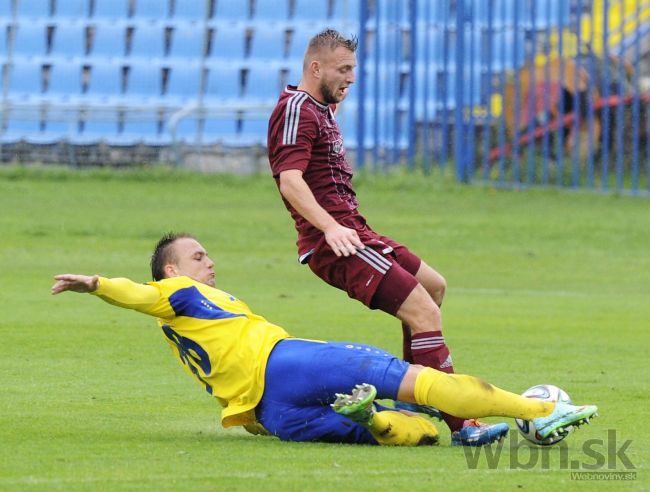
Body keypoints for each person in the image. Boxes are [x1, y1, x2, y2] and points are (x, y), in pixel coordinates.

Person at [51, 232, 598, 447]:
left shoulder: (181, 324)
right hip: (287, 366)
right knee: (419, 382)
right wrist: (97, 284)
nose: (210, 261)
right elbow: (136, 293)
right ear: (172, 271)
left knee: (412, 437)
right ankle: (539, 407)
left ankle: (374, 418)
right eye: (198, 257)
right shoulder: (178, 296)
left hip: (270, 415)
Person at [267, 28, 496, 443]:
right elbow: (290, 181)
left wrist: (334, 101)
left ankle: (413, 399)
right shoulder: (297, 108)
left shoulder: (319, 107)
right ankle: (464, 424)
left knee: (434, 287)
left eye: (353, 69)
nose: (351, 77)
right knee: (424, 313)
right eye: (343, 69)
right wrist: (330, 227)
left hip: (357, 231)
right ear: (315, 67)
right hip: (335, 241)